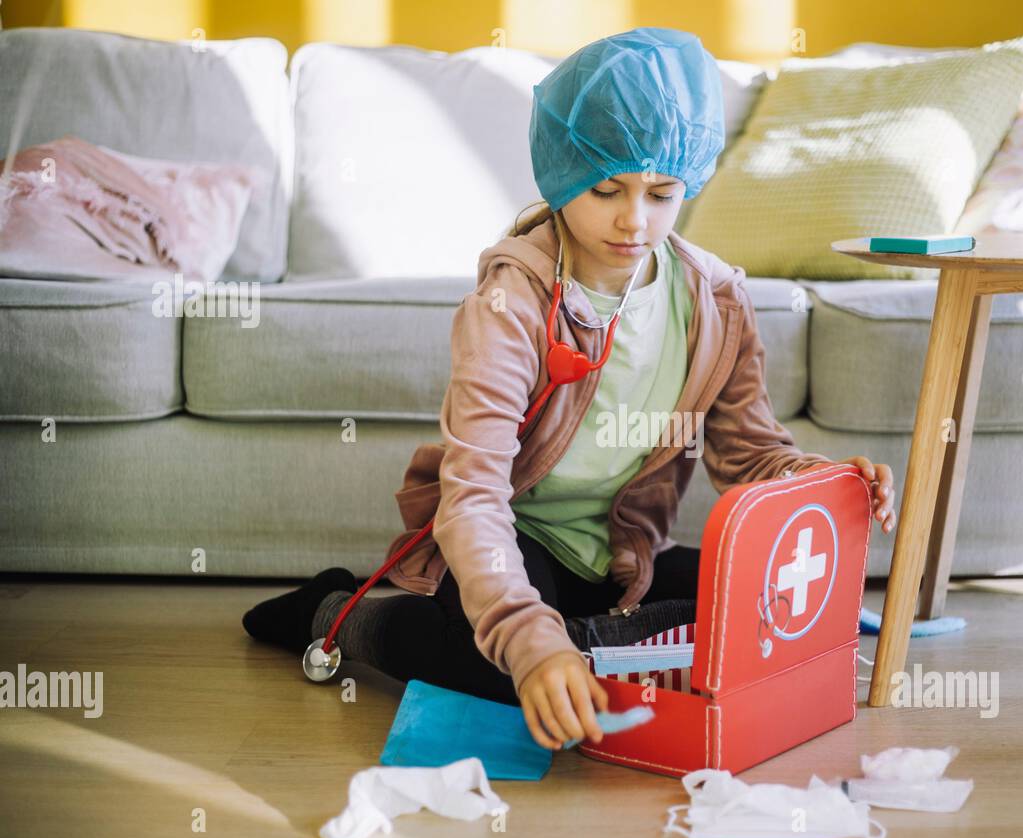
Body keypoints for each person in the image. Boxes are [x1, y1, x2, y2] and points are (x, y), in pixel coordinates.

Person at [243, 27, 895, 753]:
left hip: (623, 558)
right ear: (562, 171)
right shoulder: (509, 304)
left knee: (761, 609)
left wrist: (819, 482)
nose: (634, 220)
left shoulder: (717, 300)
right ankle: (336, 613)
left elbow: (751, 457)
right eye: (607, 187)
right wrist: (530, 644)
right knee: (506, 674)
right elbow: (474, 497)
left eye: (663, 192)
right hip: (516, 543)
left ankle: (587, 644)